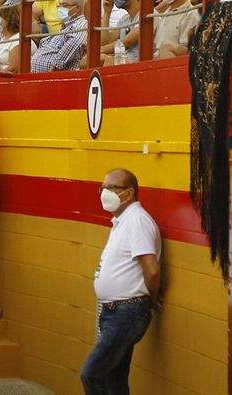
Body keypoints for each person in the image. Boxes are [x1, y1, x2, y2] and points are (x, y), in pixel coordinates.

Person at [80, 168, 162, 395]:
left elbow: (152, 271)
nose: (104, 193)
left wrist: (152, 299)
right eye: (102, 187)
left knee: (91, 374)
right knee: (114, 380)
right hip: (115, 312)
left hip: (126, 312)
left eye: (112, 188)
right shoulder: (122, 221)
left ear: (129, 193)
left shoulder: (137, 222)